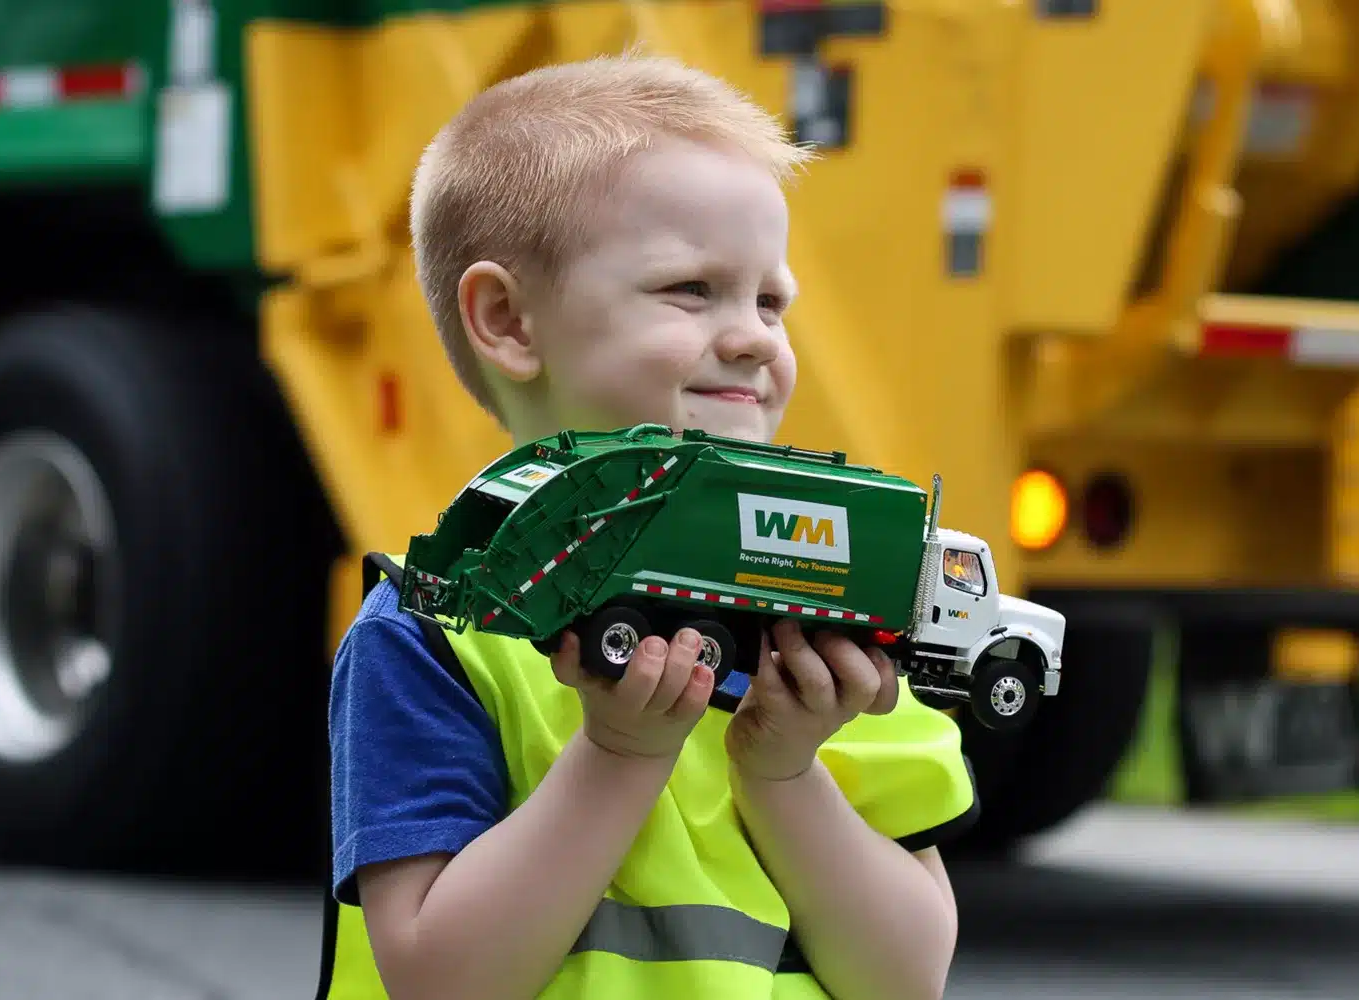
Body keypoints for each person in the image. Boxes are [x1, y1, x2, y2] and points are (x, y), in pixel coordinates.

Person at [325, 51, 980, 1000]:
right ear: (508, 320)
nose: (756, 335)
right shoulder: (438, 638)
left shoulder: (835, 620)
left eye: (770, 300)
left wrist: (786, 773)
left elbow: (905, 977)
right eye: (690, 290)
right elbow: (439, 978)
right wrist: (618, 754)